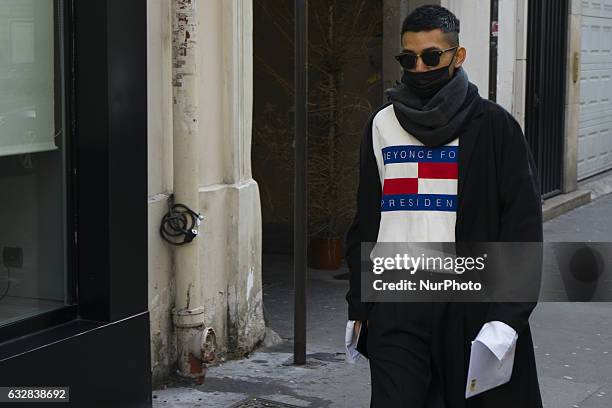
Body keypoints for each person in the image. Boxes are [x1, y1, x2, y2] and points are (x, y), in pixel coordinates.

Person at [344, 5, 543, 408]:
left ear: (458, 56)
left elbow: (521, 228)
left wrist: (508, 317)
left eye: (431, 57)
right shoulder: (382, 125)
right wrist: (360, 304)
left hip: (470, 301)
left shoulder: (494, 127)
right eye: (408, 58)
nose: (419, 68)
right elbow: (369, 219)